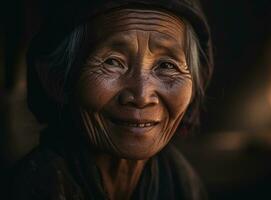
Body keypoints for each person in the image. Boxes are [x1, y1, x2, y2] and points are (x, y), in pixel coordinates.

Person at [10, 0, 213, 199]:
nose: (142, 96)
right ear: (57, 80)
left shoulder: (178, 179)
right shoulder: (34, 187)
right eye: (113, 62)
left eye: (167, 66)